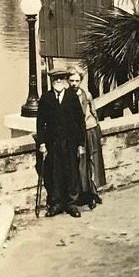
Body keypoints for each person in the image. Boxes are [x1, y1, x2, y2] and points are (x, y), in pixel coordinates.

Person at [33, 67, 86, 217]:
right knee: (54, 173)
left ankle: (71, 204)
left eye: (61, 79)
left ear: (65, 81)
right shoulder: (46, 98)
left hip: (70, 142)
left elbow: (80, 121)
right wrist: (42, 144)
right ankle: (56, 204)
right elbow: (40, 123)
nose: (58, 82)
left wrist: (81, 144)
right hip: (53, 143)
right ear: (51, 81)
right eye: (55, 79)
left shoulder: (71, 97)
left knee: (71, 172)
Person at [73, 70, 105, 209]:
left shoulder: (87, 95)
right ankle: (83, 193)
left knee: (93, 161)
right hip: (77, 134)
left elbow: (93, 112)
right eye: (71, 80)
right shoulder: (68, 96)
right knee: (81, 164)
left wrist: (97, 128)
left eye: (76, 81)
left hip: (90, 129)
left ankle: (93, 192)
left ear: (80, 81)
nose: (74, 83)